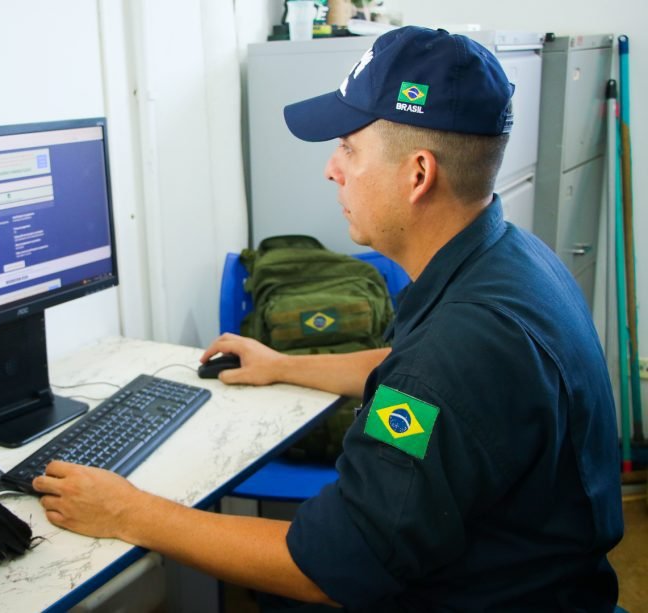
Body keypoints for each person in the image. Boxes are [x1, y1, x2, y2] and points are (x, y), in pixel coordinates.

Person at [33, 26, 624, 610]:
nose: (331, 169)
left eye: (348, 147)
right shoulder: (510, 259)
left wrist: (130, 512)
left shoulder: (454, 353)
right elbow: (414, 370)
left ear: (417, 174)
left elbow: (328, 569)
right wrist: (284, 364)